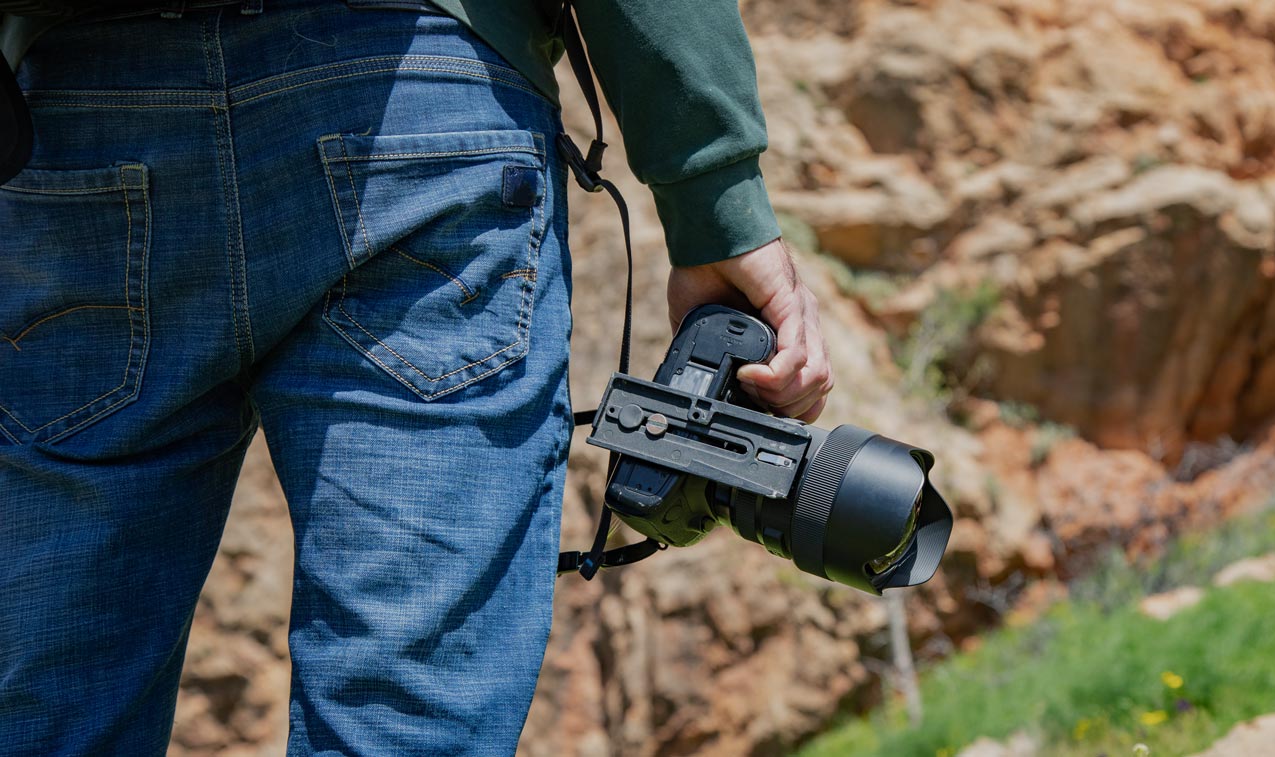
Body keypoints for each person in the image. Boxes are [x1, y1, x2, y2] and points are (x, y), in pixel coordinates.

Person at [0, 0, 833, 753]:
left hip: (76, 132)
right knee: (402, 728)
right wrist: (715, 197)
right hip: (417, 106)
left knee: (47, 716)